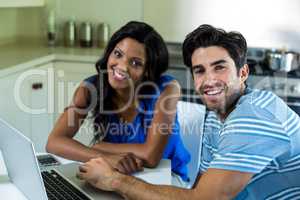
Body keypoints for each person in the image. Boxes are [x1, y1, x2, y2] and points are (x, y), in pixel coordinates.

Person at [76, 24, 300, 200]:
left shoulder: (254, 115)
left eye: (219, 67)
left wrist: (114, 181)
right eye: (200, 71)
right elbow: (199, 188)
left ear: (243, 73)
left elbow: (203, 198)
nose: (209, 80)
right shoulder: (216, 115)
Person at [46, 21, 191, 185]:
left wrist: (100, 146)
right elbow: (54, 142)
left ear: (148, 71)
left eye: (136, 63)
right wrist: (104, 157)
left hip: (168, 180)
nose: (122, 66)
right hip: (119, 173)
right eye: (118, 54)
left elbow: (150, 156)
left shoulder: (168, 89)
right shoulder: (90, 88)